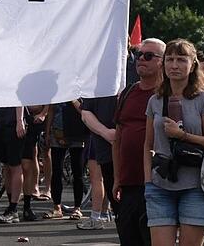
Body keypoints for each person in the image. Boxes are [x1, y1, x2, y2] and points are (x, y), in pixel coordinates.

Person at [143, 39, 204, 246]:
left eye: (181, 59)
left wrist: (183, 136)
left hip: (196, 186)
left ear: (192, 64)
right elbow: (148, 144)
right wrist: (147, 181)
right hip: (160, 184)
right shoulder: (155, 100)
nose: (174, 65)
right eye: (170, 59)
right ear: (164, 64)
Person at [113, 37, 165, 246]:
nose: (141, 59)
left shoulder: (167, 95)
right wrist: (117, 178)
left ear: (163, 61)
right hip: (128, 185)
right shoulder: (128, 92)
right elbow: (118, 138)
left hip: (159, 183)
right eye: (139, 54)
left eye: (149, 56)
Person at [78, 95, 118, 230]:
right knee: (107, 178)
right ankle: (104, 212)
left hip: (100, 138)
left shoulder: (97, 86)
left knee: (97, 179)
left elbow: (84, 112)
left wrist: (72, 98)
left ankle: (96, 217)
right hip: (107, 135)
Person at [42, 101, 87, 220]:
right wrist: (47, 132)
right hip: (58, 132)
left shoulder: (80, 87)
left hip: (77, 132)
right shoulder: (56, 89)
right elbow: (51, 109)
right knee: (56, 171)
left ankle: (77, 208)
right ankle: (57, 207)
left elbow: (84, 110)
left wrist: (74, 99)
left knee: (78, 172)